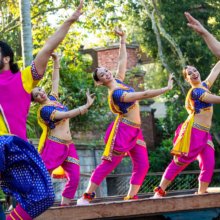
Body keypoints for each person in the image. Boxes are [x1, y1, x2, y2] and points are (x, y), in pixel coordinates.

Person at [0, 1, 84, 219]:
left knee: (44, 196)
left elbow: (47, 48)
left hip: (16, 149)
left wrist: (70, 20)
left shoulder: (24, 79)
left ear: (6, 58)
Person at [77, 28, 173, 205]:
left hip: (135, 131)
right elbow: (143, 95)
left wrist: (123, 39)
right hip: (123, 131)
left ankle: (131, 196)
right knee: (109, 165)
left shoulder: (119, 81)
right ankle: (86, 196)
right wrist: (165, 89)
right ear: (100, 82)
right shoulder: (117, 94)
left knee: (143, 164)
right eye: (102, 75)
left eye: (106, 70)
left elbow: (122, 60)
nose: (106, 73)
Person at [31, 52, 95, 206]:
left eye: (40, 90)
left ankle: (65, 206)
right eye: (37, 95)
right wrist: (84, 107)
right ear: (35, 101)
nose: (41, 93)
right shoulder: (44, 111)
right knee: (44, 176)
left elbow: (55, 81)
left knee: (75, 175)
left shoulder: (53, 99)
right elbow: (65, 114)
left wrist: (56, 62)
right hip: (54, 145)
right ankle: (32, 204)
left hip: (68, 145)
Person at [153, 60, 220, 198]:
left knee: (209, 162)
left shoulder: (204, 86)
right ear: (187, 79)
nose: (194, 74)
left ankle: (201, 193)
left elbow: (214, 71)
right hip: (194, 132)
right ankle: (159, 191)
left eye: (194, 70)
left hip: (205, 134)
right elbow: (214, 99)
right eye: (189, 74)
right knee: (180, 161)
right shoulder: (196, 92)